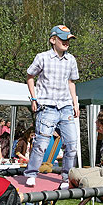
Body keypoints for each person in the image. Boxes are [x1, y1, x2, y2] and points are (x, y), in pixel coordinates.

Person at [25, 25, 79, 189]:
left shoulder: (71, 60)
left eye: (68, 39)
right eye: (63, 39)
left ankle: (65, 178)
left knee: (72, 144)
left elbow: (71, 83)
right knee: (41, 143)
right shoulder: (42, 57)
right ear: (53, 40)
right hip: (47, 105)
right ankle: (31, 173)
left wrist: (75, 103)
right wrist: (34, 98)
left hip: (65, 107)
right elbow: (30, 76)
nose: (66, 42)